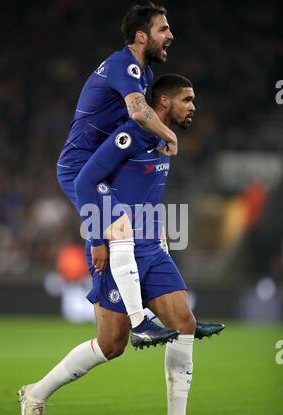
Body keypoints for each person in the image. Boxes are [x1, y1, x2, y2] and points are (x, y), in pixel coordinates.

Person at [19, 74, 220, 415]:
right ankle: (35, 393)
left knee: (184, 323)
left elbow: (144, 192)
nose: (193, 107)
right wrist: (97, 237)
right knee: (111, 345)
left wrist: (159, 234)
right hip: (116, 246)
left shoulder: (162, 139)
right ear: (163, 103)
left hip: (150, 245)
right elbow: (84, 183)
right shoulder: (130, 135)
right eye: (187, 100)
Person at [57, 2, 223, 347]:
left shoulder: (145, 75)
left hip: (105, 166)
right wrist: (169, 134)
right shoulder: (124, 65)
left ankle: (168, 313)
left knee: (138, 226)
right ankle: (139, 322)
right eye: (163, 29)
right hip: (80, 168)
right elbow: (137, 112)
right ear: (140, 36)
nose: (170, 36)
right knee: (121, 228)